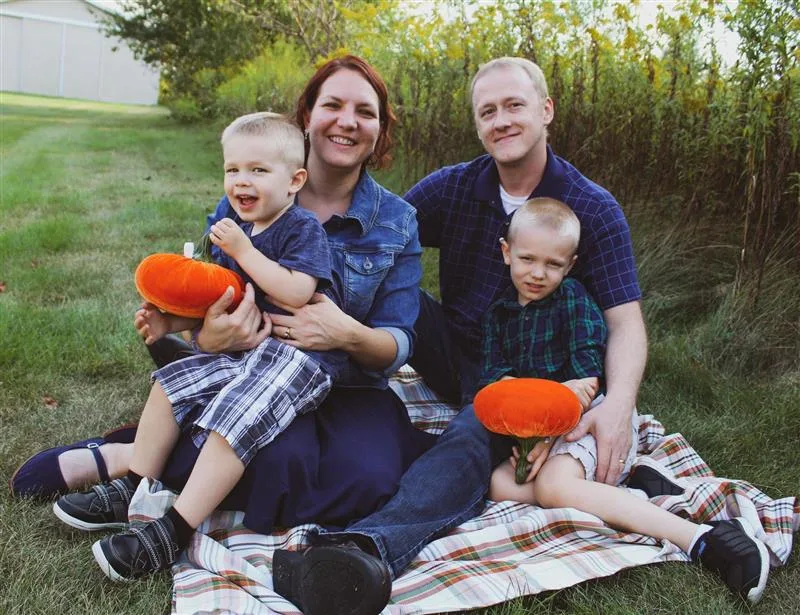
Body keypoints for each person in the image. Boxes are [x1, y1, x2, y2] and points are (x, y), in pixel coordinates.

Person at [265, 56, 750, 613]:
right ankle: (289, 387)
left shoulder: (591, 207)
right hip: (462, 351)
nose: (502, 121)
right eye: (488, 111)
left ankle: (366, 548)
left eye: (514, 105)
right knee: (408, 304)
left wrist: (618, 404)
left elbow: (625, 322)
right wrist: (279, 236)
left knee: (470, 439)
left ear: (546, 111)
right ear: (477, 124)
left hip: (537, 375)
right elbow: (379, 225)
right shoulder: (453, 189)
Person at [11, 56, 433, 613]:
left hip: (345, 381)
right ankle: (141, 467)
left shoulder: (397, 220)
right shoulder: (247, 195)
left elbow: (397, 342)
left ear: (381, 127)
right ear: (307, 116)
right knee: (277, 457)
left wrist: (347, 332)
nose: (346, 121)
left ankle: (130, 457)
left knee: (370, 481)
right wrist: (202, 335)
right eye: (332, 105)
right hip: (251, 363)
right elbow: (214, 296)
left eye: (365, 111)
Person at [51, 112, 357, 581]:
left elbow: (298, 291)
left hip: (303, 358)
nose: (242, 181)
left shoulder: (301, 228)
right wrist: (169, 321)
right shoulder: (237, 227)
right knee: (172, 381)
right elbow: (223, 298)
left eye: (258, 170)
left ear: (295, 180)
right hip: (252, 351)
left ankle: (174, 529)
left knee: (237, 410)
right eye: (233, 170)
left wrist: (243, 251)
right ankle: (135, 483)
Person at [483, 197, 769, 604]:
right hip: (538, 424)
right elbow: (494, 377)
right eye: (527, 259)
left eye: (553, 264)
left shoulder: (574, 301)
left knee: (551, 487)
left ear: (571, 264)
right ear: (507, 252)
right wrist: (524, 426)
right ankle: (631, 491)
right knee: (497, 484)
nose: (538, 273)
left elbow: (585, 383)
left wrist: (545, 430)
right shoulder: (498, 315)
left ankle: (705, 539)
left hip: (587, 416)